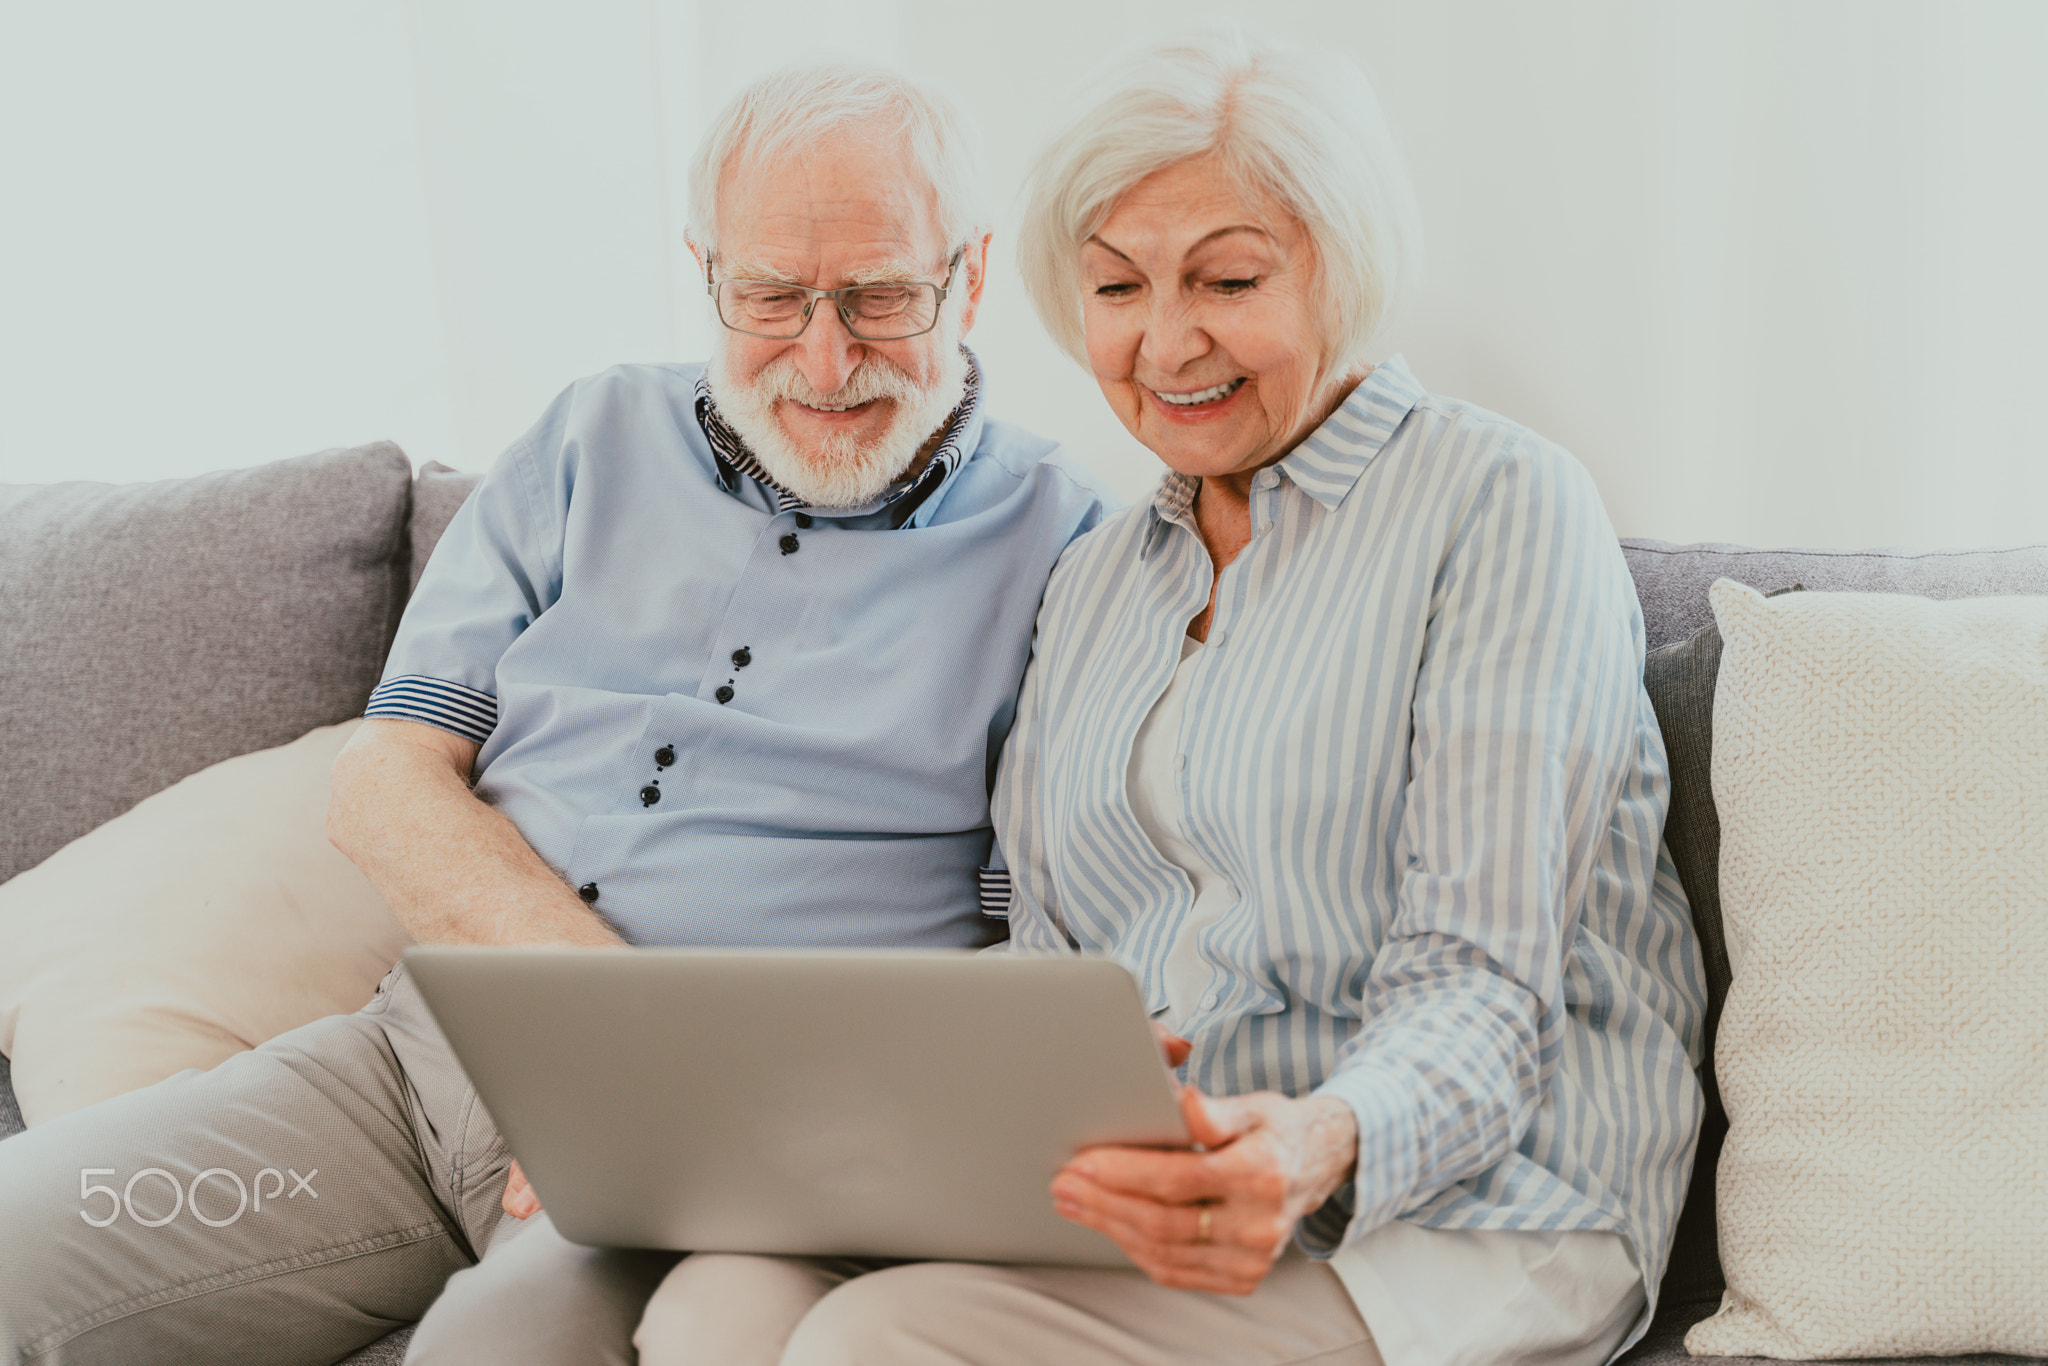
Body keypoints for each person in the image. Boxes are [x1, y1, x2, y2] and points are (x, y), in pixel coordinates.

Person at [0, 65, 1111, 1366]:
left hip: (711, 1162)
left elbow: (1026, 954)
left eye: (877, 297)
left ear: (968, 281)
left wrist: (664, 1105)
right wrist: (592, 1033)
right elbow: (386, 777)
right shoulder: (593, 434)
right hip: (424, 1059)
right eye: (769, 297)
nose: (823, 357)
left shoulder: (1065, 541)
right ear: (706, 275)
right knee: (22, 1250)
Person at [630, 28, 1707, 1366]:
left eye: (1230, 277)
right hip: (1144, 1203)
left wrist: (1315, 1138)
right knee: (714, 1300)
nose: (1167, 340)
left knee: (877, 1339)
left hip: (1467, 1219)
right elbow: (1047, 968)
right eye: (1117, 286)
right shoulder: (1093, 583)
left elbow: (1483, 986)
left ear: (1342, 265)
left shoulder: (1498, 507)